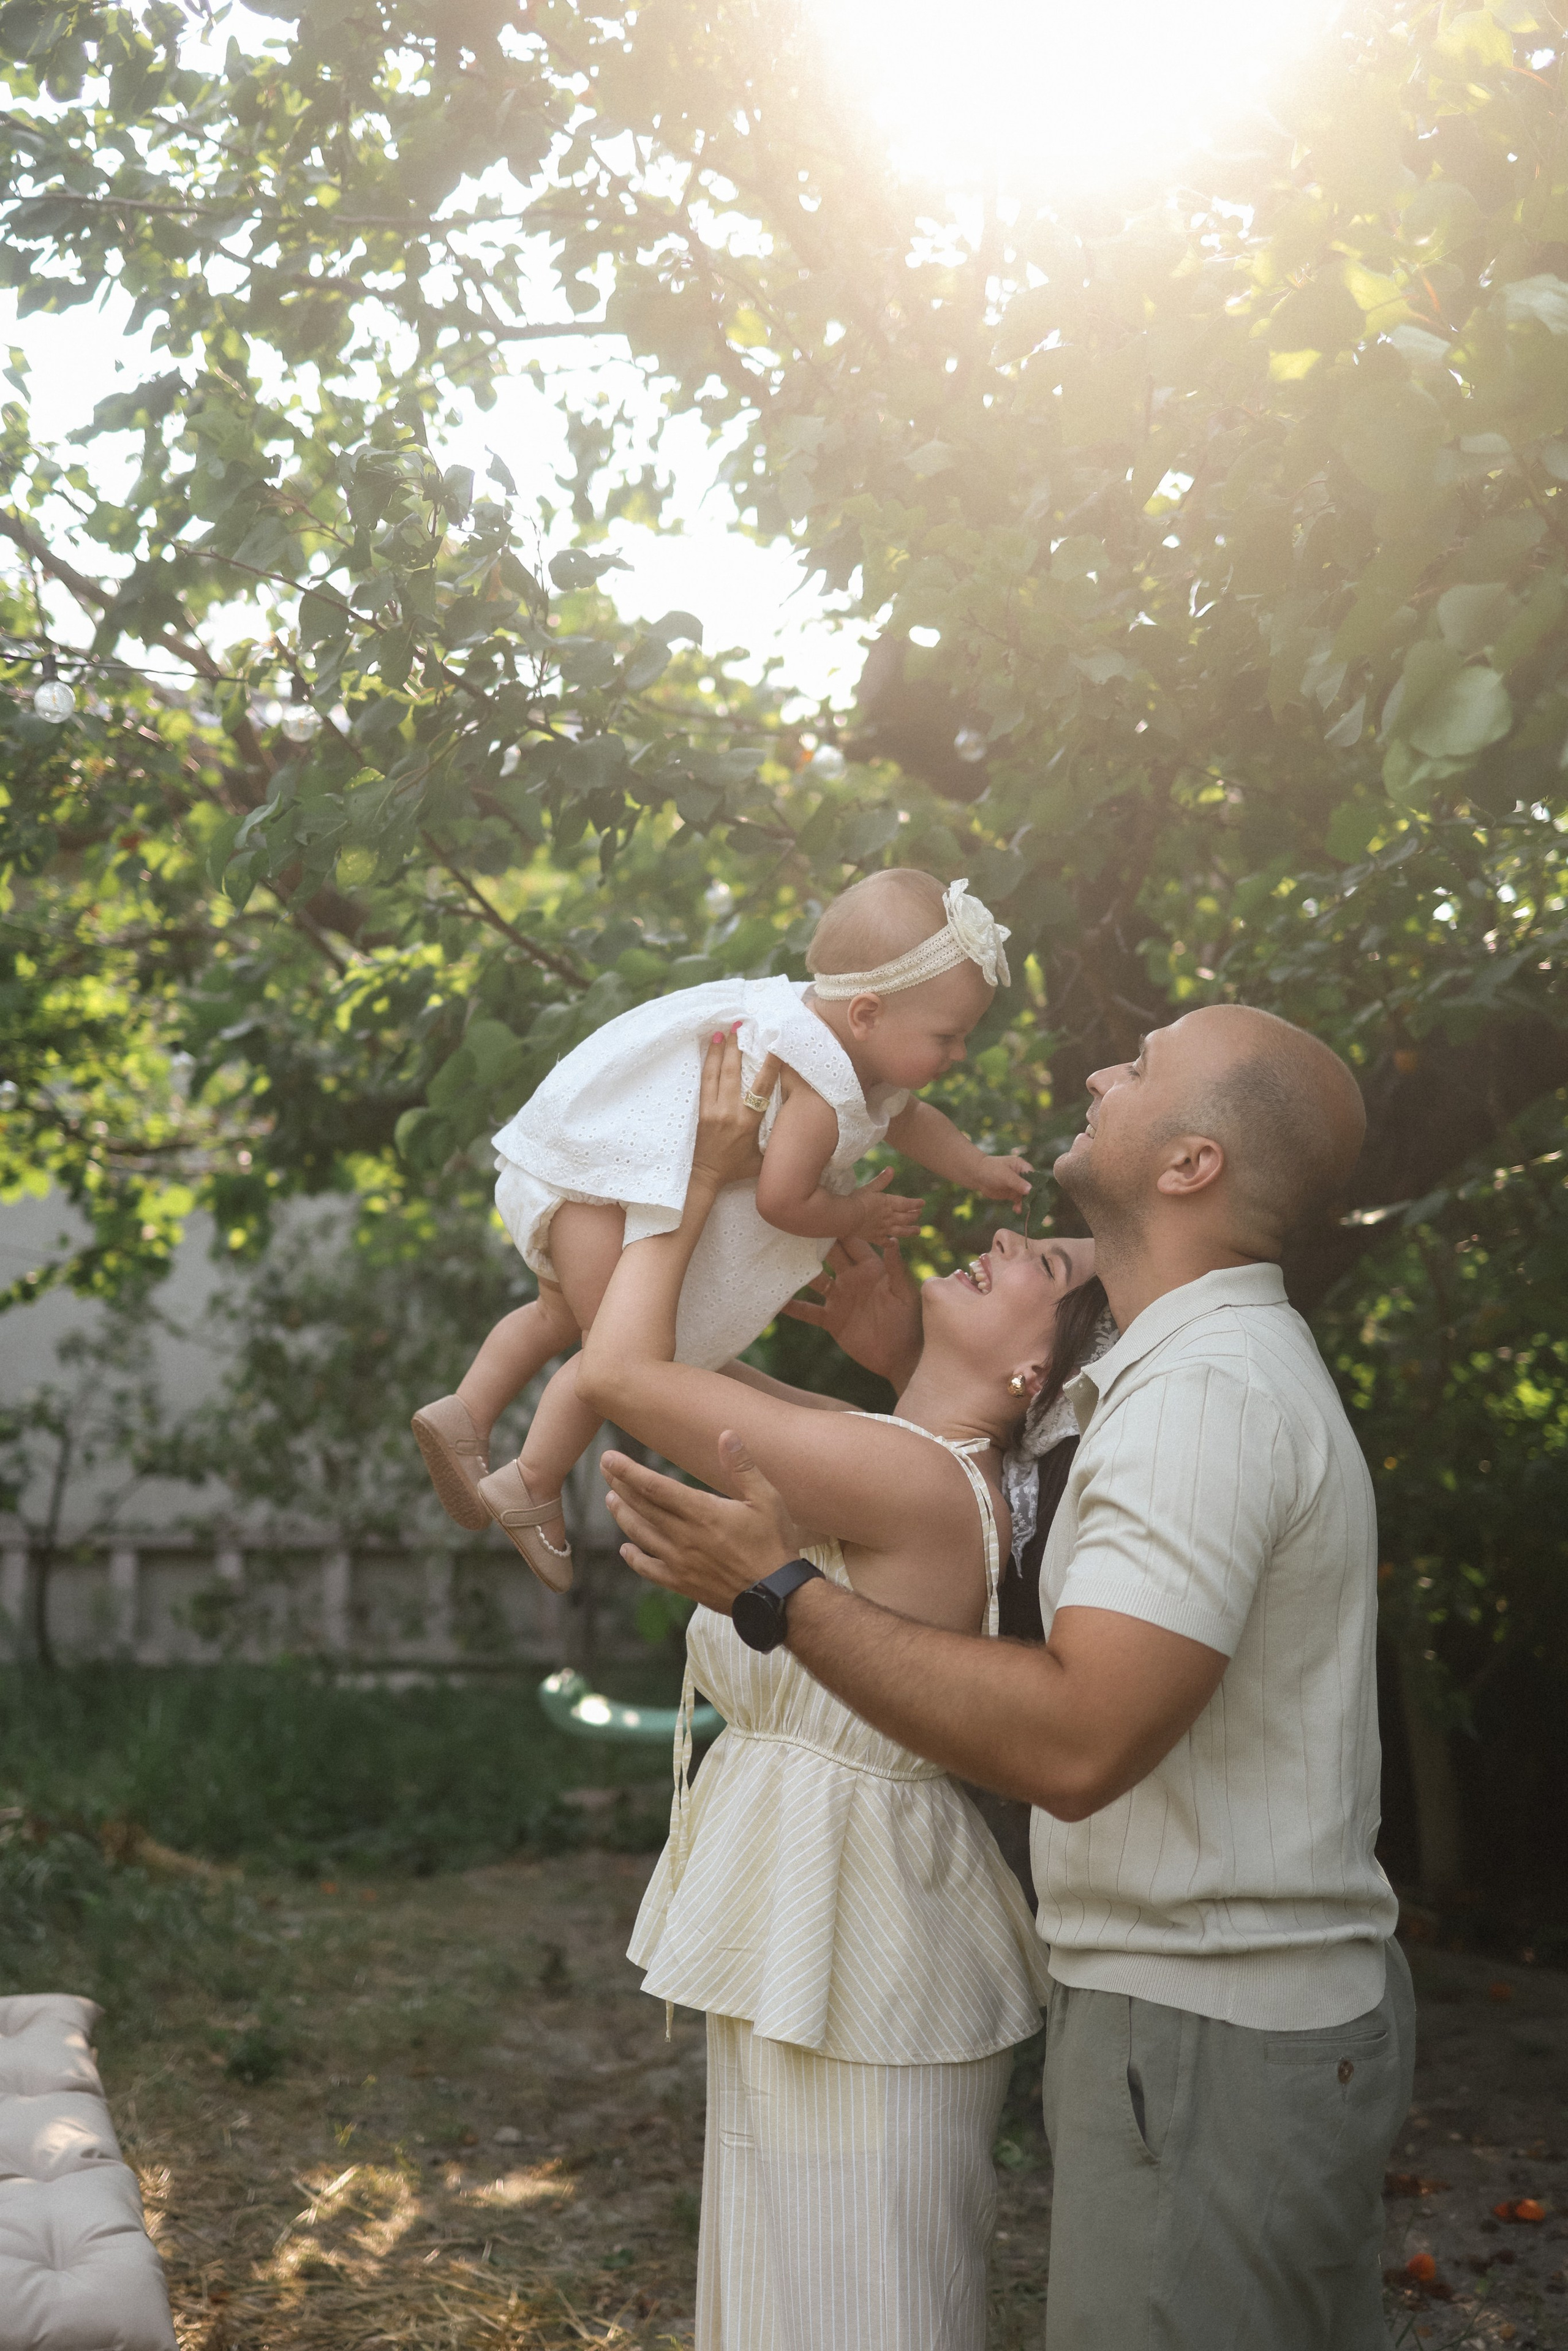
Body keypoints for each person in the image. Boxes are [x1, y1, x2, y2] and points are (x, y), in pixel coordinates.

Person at [601, 1004, 1416, 2351]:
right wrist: (916, 1372)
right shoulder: (1161, 1375)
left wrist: (781, 1592)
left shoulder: (1200, 1400)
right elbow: (1002, 1505)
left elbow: (1076, 1738)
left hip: (1207, 2027)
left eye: (1138, 1067)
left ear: (1191, 1163)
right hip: (1192, 2012)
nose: (1099, 1069)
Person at [570, 1027, 1100, 2351]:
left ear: (1034, 1375)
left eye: (1041, 1264)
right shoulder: (895, 1449)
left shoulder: (914, 1476)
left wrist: (700, 1181)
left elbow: (621, 1374)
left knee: (862, 2296)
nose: (1005, 1237)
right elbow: (641, 1342)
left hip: (860, 1913)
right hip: (815, 1891)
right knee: (796, 2283)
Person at [411, 869, 1030, 1587]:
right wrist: (857, 1212)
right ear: (866, 1014)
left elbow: (912, 1120)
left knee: (558, 1314)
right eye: (948, 1037)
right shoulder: (819, 1088)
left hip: (592, 1164)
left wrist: (976, 1166)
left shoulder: (828, 1037)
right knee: (619, 1350)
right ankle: (532, 1482)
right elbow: (782, 1201)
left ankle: (466, 1412)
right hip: (617, 1181)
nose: (958, 1054)